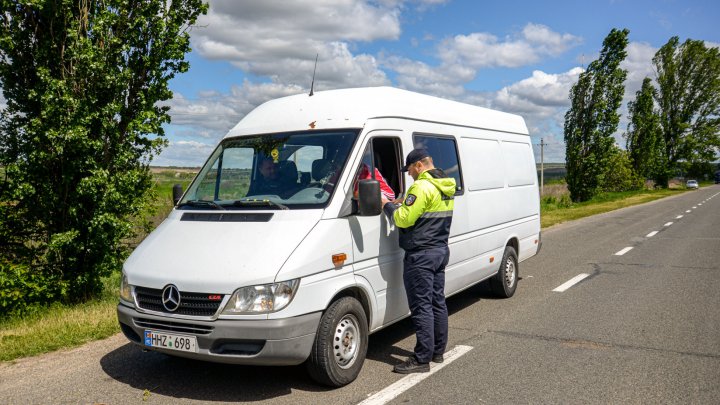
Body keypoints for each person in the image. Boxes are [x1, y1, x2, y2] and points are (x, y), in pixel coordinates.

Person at [381, 148, 456, 374]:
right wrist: (406, 202)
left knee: (422, 306)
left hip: (421, 255)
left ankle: (422, 359)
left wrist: (386, 204)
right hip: (440, 250)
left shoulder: (421, 186)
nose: (409, 175)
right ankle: (437, 351)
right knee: (437, 302)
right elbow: (426, 213)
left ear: (419, 165)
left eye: (410, 170)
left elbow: (404, 219)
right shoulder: (444, 185)